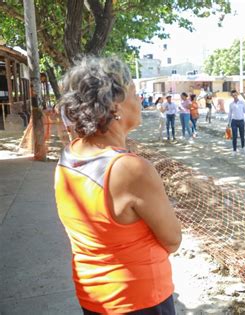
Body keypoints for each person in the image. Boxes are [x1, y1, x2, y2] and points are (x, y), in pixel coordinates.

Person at [55, 56, 182, 314]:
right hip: (140, 299)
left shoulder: (69, 156)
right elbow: (172, 240)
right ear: (116, 105)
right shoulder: (130, 170)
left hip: (93, 296)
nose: (139, 101)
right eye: (134, 93)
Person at [227, 89, 245, 155]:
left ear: (237, 94)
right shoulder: (231, 104)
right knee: (234, 136)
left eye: (235, 95)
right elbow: (230, 114)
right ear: (232, 96)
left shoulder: (242, 102)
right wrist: (228, 122)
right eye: (233, 95)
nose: (235, 96)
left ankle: (243, 147)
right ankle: (234, 150)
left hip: (241, 121)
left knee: (242, 135)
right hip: (234, 121)